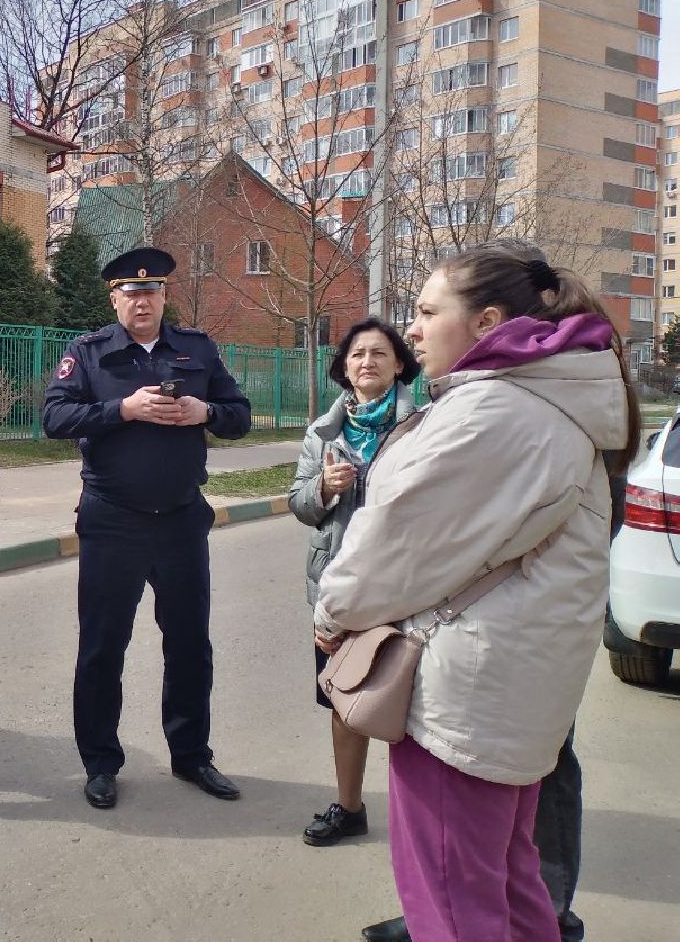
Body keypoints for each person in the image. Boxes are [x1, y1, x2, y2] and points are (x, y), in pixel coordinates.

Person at [315, 242, 639, 942]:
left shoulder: (490, 410)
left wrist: (333, 611)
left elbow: (390, 545)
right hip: (518, 693)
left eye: (430, 312)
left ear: (488, 322)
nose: (416, 330)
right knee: (512, 883)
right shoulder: (556, 402)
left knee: (455, 909)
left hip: (464, 703)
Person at [43, 246, 252, 810]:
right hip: (113, 521)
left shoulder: (196, 350)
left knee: (189, 643)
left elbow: (241, 414)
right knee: (103, 647)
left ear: (164, 296)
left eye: (151, 291)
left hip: (182, 519)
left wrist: (205, 412)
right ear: (114, 299)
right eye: (130, 293)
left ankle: (191, 756)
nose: (142, 301)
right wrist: (123, 411)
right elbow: (54, 418)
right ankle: (101, 763)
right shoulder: (89, 354)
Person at [289, 317, 420, 847]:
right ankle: (349, 806)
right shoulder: (324, 432)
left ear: (398, 365)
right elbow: (300, 505)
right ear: (343, 368)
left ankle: (419, 823)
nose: (367, 361)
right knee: (345, 701)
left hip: (407, 587)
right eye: (357, 354)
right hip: (339, 588)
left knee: (412, 707)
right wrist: (323, 487)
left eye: (379, 353)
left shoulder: (423, 424)